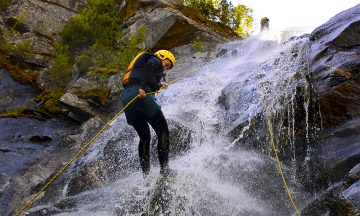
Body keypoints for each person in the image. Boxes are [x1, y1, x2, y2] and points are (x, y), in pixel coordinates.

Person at [120, 50, 176, 178]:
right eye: (167, 64)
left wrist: (158, 85)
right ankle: (165, 169)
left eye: (168, 67)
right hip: (141, 94)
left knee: (144, 137)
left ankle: (146, 174)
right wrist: (143, 87)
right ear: (162, 57)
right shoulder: (155, 60)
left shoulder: (142, 64)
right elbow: (149, 69)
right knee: (162, 129)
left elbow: (145, 74)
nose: (166, 67)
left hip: (127, 98)